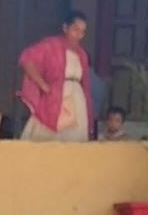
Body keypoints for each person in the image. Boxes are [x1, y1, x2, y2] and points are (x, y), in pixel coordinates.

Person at [18, 11, 95, 143]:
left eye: (82, 32)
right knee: (46, 135)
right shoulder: (50, 45)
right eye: (75, 30)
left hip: (77, 99)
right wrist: (43, 85)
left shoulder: (82, 54)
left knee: (74, 140)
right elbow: (27, 59)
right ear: (65, 28)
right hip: (56, 96)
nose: (79, 35)